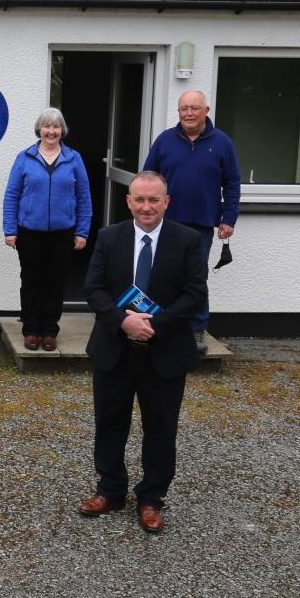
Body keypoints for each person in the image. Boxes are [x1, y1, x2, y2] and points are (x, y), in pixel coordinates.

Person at [80, 171, 207, 533]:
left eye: (154, 200)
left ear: (166, 201)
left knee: (161, 428)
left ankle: (152, 498)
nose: (146, 207)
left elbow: (194, 294)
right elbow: (94, 288)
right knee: (109, 422)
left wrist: (154, 326)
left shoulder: (187, 241)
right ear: (129, 202)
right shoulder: (108, 237)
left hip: (164, 352)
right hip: (114, 349)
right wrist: (123, 321)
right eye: (140, 199)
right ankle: (110, 490)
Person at [142, 90, 240, 353]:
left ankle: (196, 330)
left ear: (206, 111)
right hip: (165, 223)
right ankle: (157, 324)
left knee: (196, 278)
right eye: (184, 108)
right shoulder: (165, 141)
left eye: (194, 108)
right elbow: (148, 178)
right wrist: (146, 211)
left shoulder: (222, 143)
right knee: (160, 274)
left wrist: (229, 218)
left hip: (201, 225)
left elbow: (232, 183)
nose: (188, 113)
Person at [2, 107, 93, 351]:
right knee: (31, 281)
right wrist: (10, 230)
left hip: (63, 233)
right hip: (29, 232)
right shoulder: (25, 158)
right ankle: (31, 330)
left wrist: (82, 232)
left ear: (62, 130)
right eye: (47, 126)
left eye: (56, 127)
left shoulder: (74, 159)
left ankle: (50, 330)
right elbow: (12, 195)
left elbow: (84, 197)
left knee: (55, 282)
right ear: (39, 130)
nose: (51, 131)